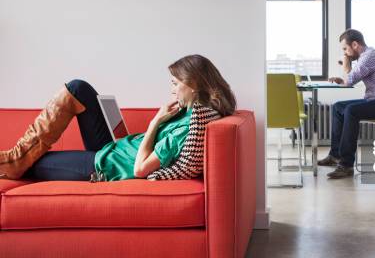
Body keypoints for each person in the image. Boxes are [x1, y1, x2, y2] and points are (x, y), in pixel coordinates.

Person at [0, 54, 236, 182]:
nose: (171, 89)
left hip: (107, 164)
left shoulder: (186, 129)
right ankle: (17, 158)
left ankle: (17, 161)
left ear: (194, 85)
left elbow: (141, 169)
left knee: (36, 163)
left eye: (175, 84)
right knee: (78, 88)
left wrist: (155, 122)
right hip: (117, 148)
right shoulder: (192, 111)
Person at [319, 29, 375, 179]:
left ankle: (346, 165)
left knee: (351, 110)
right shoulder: (366, 57)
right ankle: (335, 155)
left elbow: (351, 79)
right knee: (339, 107)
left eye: (345, 49)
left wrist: (346, 64)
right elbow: (349, 81)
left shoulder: (370, 56)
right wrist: (342, 80)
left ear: (355, 44)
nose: (345, 53)